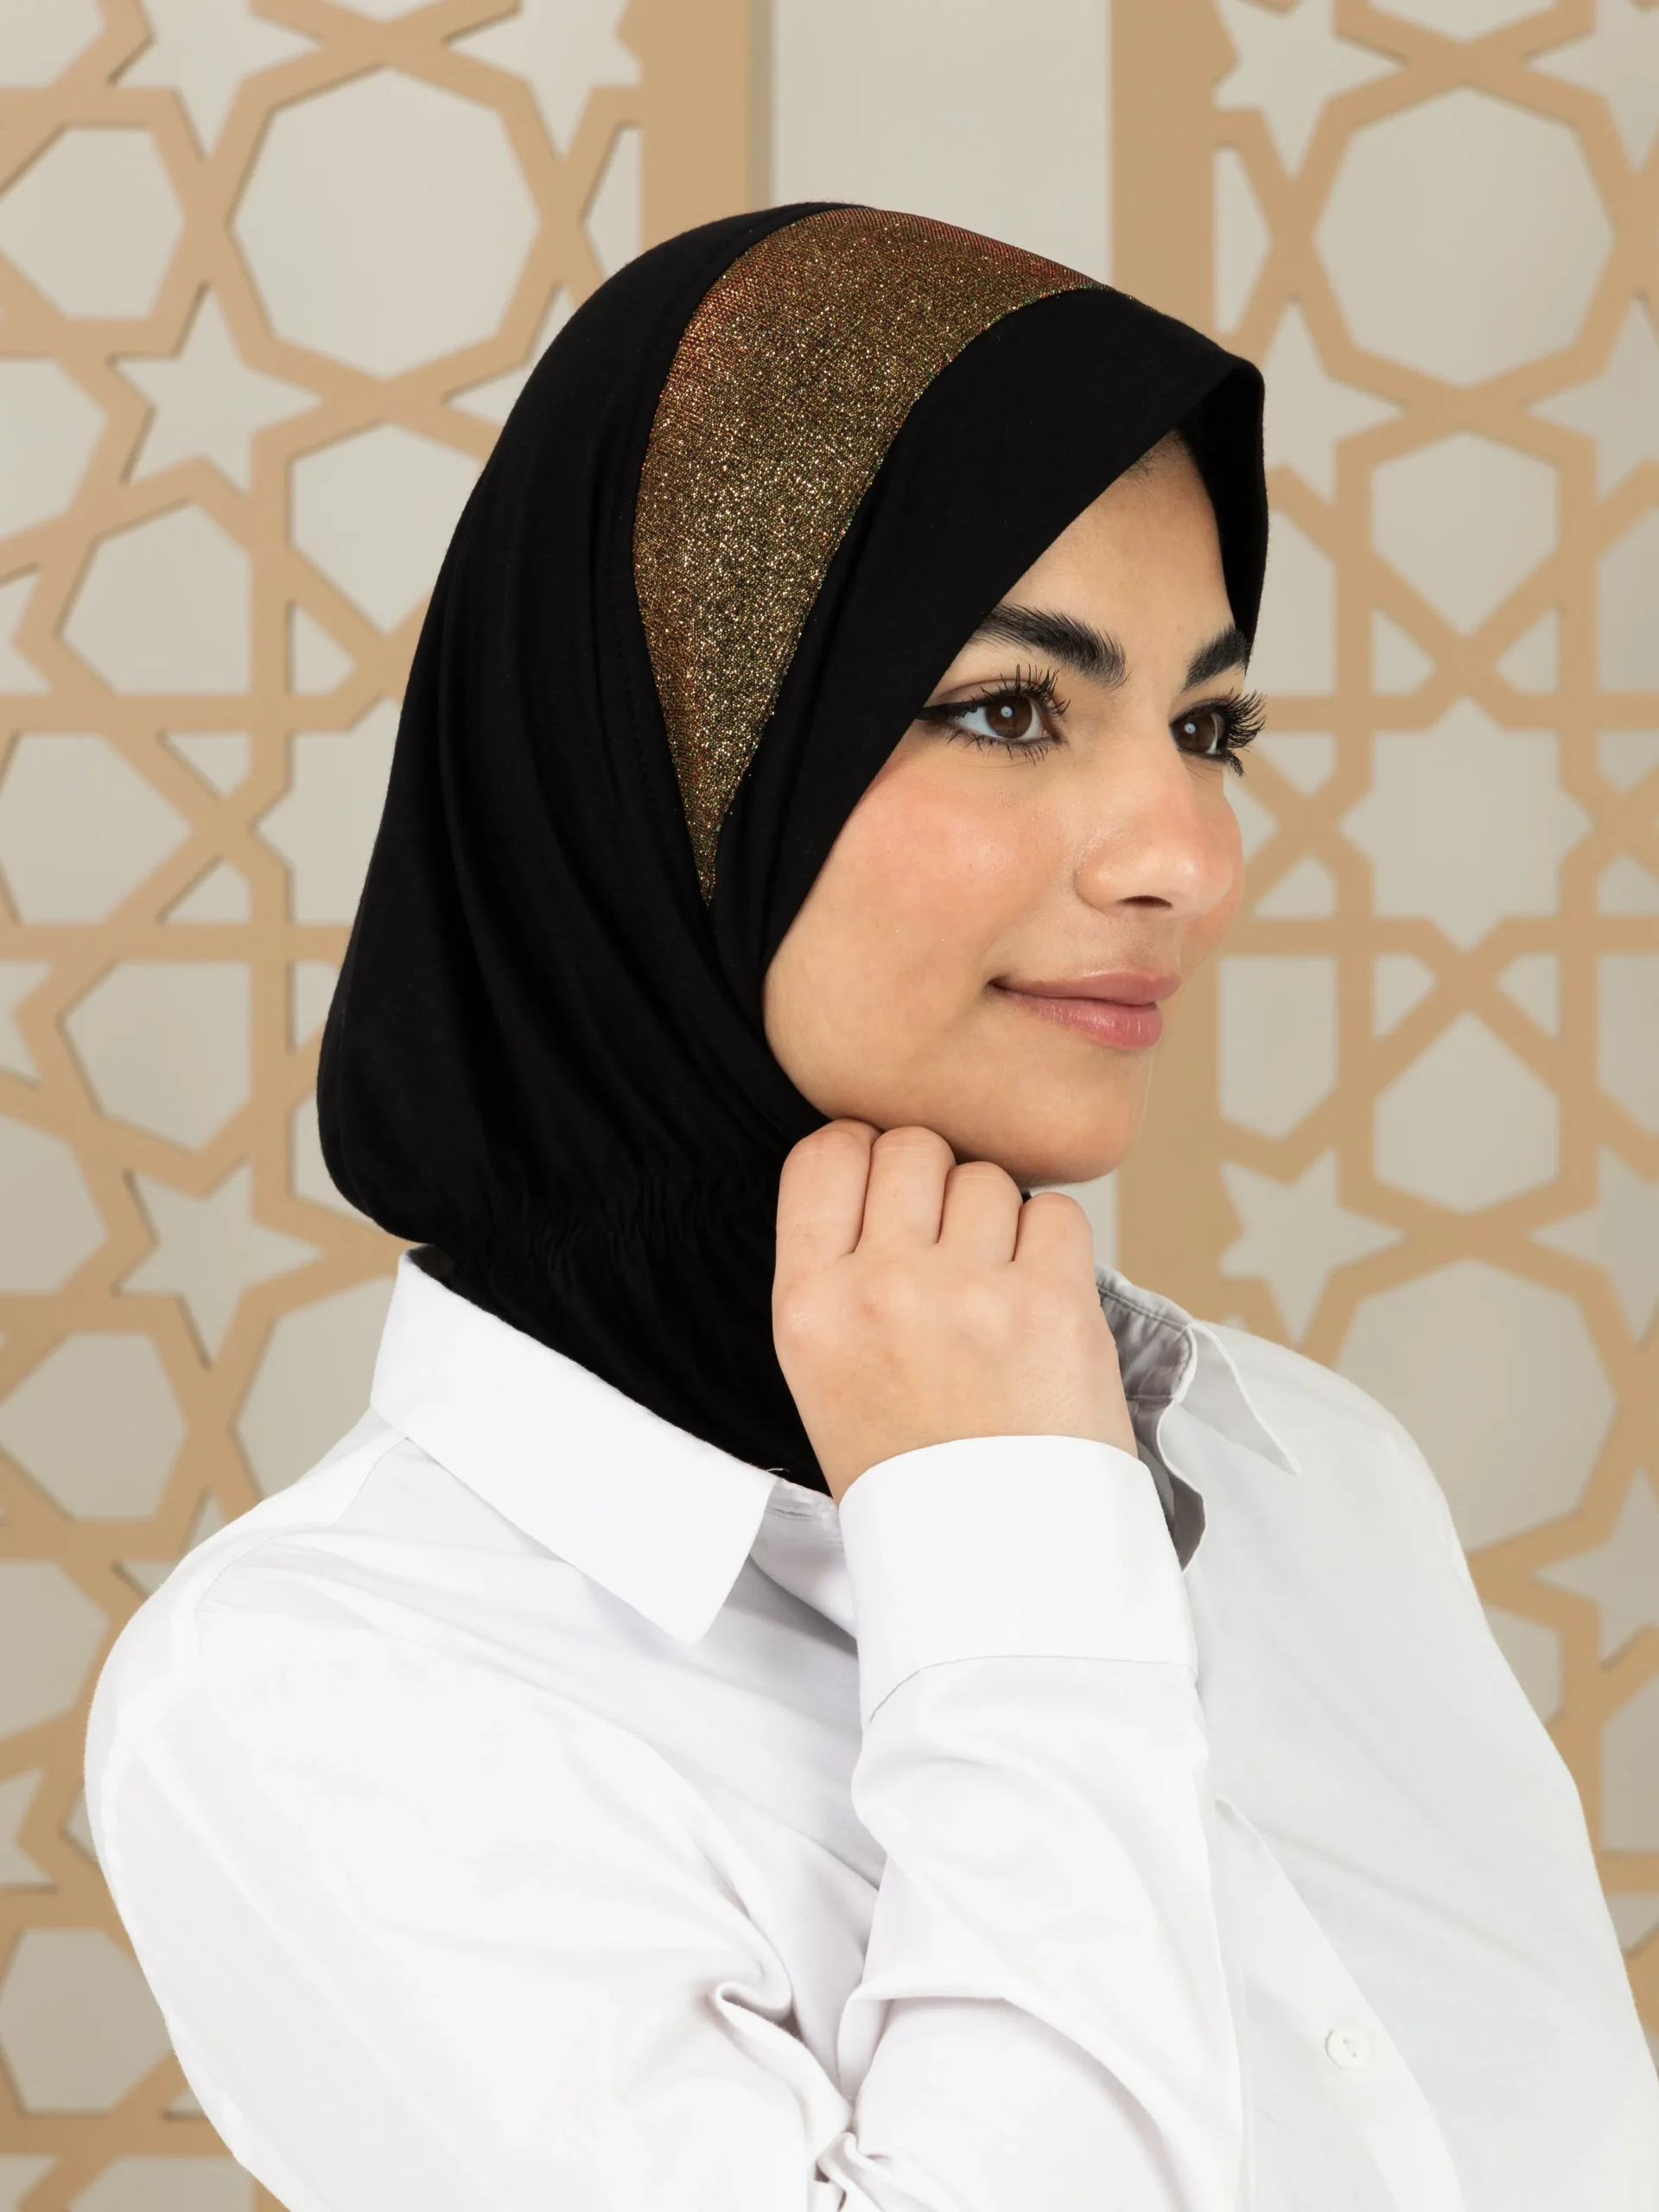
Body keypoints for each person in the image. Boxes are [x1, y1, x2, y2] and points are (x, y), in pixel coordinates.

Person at [85, 206, 1656, 2211]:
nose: (1191, 858)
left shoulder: (1309, 1474)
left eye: (1210, 727)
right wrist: (1001, 1539)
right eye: (1007, 709)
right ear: (656, 765)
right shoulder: (316, 1695)